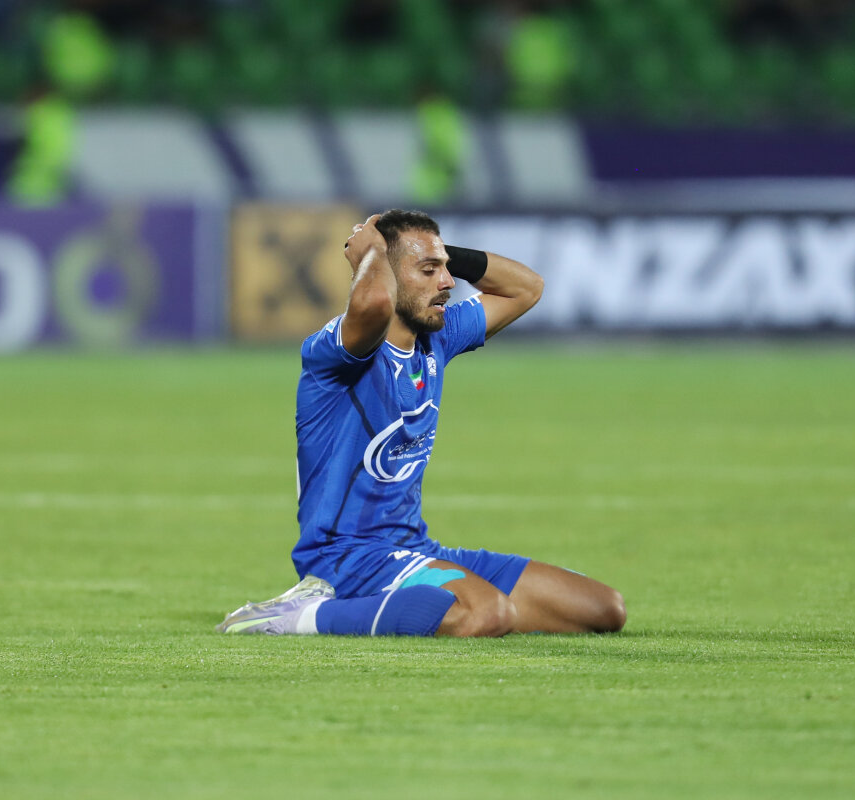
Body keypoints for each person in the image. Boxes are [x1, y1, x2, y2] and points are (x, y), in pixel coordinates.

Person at [217, 209, 626, 637]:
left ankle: (418, 605)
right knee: (488, 614)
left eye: (444, 269)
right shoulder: (337, 354)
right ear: (387, 276)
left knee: (603, 609)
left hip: (413, 548)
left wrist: (437, 254)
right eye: (428, 271)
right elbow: (374, 305)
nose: (447, 282)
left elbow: (526, 288)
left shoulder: (438, 339)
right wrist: (373, 254)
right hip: (346, 557)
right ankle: (299, 616)